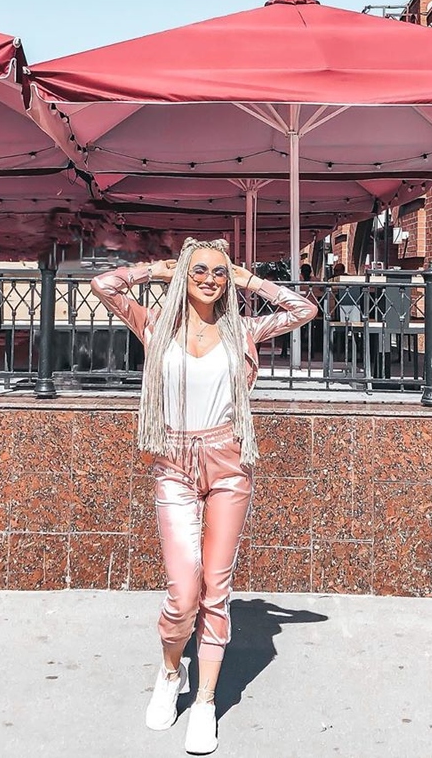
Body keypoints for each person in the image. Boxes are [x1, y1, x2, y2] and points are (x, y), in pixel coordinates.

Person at [91, 238, 316, 755]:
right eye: (200, 270)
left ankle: (205, 702)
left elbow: (303, 309)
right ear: (183, 275)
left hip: (229, 464)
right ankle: (171, 672)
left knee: (216, 589)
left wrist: (248, 279)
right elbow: (103, 285)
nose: (210, 279)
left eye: (219, 271)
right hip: (173, 465)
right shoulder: (155, 325)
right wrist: (158, 269)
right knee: (182, 593)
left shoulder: (242, 330)